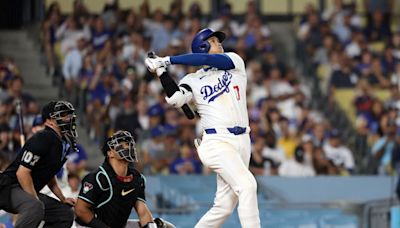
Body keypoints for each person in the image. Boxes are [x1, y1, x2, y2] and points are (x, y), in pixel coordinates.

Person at [145, 28, 261, 228]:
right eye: (214, 41)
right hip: (216, 142)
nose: (220, 43)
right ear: (203, 46)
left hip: (242, 140)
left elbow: (211, 61)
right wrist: (162, 73)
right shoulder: (192, 79)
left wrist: (167, 61)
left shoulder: (233, 62)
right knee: (248, 185)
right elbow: (176, 99)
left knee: (224, 206)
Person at [0, 100, 78, 228]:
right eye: (63, 114)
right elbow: (22, 173)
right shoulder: (43, 138)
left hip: (24, 190)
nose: (68, 118)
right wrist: (35, 200)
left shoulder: (62, 143)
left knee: (64, 214)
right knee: (35, 206)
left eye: (69, 114)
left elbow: (49, 173)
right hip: (8, 187)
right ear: (49, 120)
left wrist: (62, 198)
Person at [74, 130, 174, 228]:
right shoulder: (98, 178)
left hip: (119, 225)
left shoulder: (137, 178)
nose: (127, 147)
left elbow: (143, 213)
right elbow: (80, 210)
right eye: (122, 145)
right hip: (90, 226)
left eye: (129, 144)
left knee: (161, 226)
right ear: (110, 153)